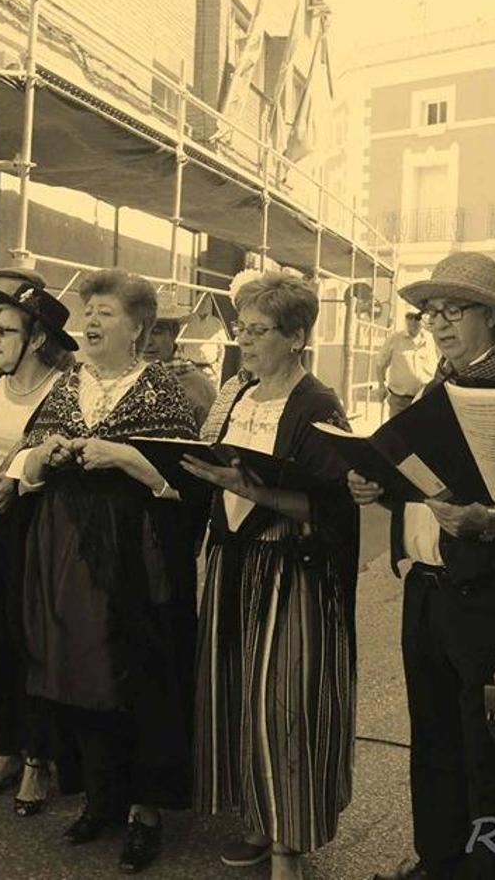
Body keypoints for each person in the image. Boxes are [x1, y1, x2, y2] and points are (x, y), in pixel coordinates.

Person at [353, 253, 495, 880]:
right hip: (426, 587)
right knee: (434, 738)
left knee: (489, 749)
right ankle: (438, 861)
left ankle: (485, 874)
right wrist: (378, 488)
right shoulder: (437, 383)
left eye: (453, 310)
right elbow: (422, 476)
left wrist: (490, 520)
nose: (438, 323)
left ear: (492, 316)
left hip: (488, 594)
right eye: (430, 313)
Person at [16, 269, 201, 873]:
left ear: (138, 327)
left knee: (138, 672)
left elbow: (185, 482)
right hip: (65, 544)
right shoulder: (68, 385)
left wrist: (125, 457)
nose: (91, 321)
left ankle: (145, 810)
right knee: (77, 671)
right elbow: (25, 465)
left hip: (136, 550)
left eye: (107, 312)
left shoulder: (162, 389)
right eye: (89, 310)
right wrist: (44, 455)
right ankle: (100, 796)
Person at [181, 273, 360, 880]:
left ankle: (290, 842)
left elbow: (331, 506)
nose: (244, 341)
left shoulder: (318, 405)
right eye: (242, 329)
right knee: (237, 692)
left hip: (290, 569)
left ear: (297, 336)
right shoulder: (235, 394)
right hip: (233, 561)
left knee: (285, 704)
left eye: (258, 331)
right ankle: (259, 817)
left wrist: (251, 489)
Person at [0, 272, 75, 816]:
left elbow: (66, 460)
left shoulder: (64, 391)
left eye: (5, 331)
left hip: (38, 532)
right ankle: (6, 748)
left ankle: (37, 757)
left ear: (36, 338)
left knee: (36, 644)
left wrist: (16, 484)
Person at [142, 298, 217, 427]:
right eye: (141, 332)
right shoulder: (123, 381)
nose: (147, 341)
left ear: (174, 332)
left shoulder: (200, 388)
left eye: (156, 332)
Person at [371, 307, 436, 417]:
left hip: (424, 399)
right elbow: (380, 364)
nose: (413, 321)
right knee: (398, 428)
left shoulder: (431, 339)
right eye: (409, 317)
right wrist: (381, 386)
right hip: (399, 401)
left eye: (417, 317)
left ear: (423, 319)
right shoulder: (395, 338)